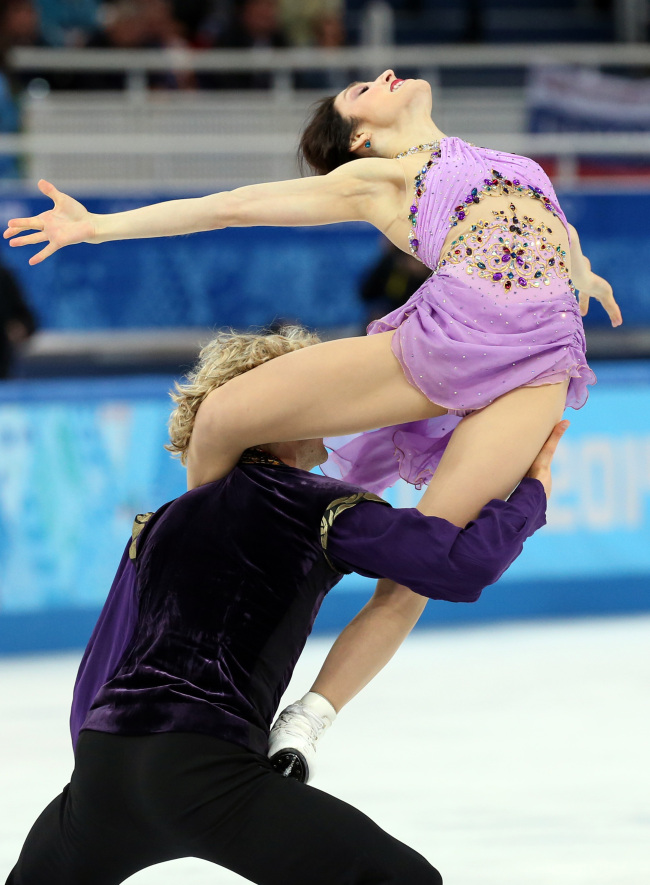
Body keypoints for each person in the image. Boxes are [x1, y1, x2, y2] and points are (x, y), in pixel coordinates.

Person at [3, 69, 621, 747]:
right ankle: (201, 561)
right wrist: (96, 227)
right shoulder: (380, 179)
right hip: (451, 339)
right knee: (221, 416)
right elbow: (234, 206)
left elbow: (559, 239)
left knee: (419, 565)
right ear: (360, 136)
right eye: (361, 91)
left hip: (540, 364)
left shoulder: (519, 164)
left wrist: (585, 276)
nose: (382, 76)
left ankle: (308, 719)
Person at [5, 327, 565, 885]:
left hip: (102, 776)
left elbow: (99, 670)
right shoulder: (309, 504)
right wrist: (530, 495)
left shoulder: (164, 519)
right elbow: (459, 565)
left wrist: (94, 787)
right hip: (203, 771)